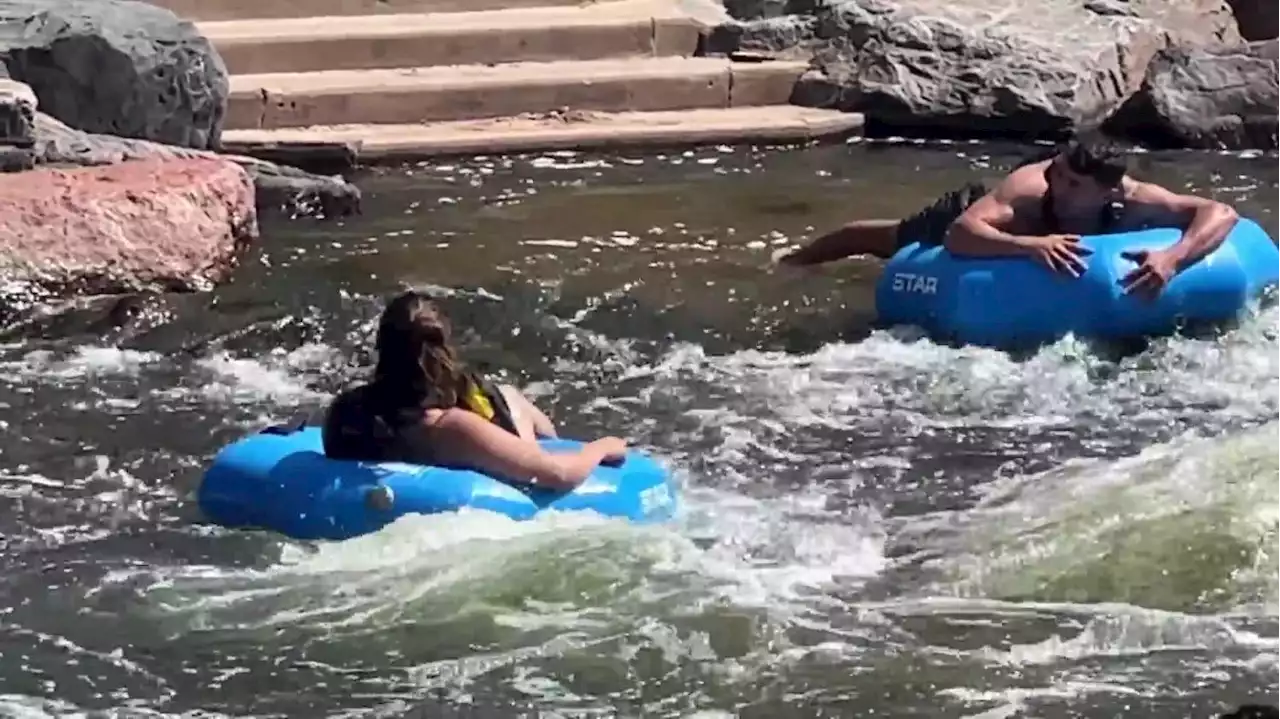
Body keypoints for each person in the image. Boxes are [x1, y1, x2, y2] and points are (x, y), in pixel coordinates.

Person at [774, 135, 1240, 298]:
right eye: (1058, 174)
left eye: (1075, 184)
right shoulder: (1031, 188)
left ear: (1109, 191)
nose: (1059, 183)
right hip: (988, 216)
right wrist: (1029, 245)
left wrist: (1173, 258)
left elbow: (1220, 212)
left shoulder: (1134, 196)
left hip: (1036, 235)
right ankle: (794, 262)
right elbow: (961, 235)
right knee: (884, 239)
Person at [321, 290, 627, 490]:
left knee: (496, 395)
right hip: (472, 448)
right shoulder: (449, 428)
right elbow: (558, 476)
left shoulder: (345, 411)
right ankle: (536, 438)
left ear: (381, 347)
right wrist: (599, 447)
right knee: (508, 397)